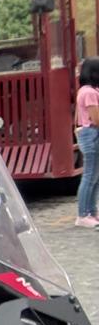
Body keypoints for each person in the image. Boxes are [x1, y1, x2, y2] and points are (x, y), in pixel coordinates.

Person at [76, 58, 99, 228]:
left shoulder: (87, 90)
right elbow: (96, 118)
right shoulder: (89, 92)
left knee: (94, 176)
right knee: (90, 176)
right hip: (92, 133)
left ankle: (91, 212)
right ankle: (83, 214)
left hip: (89, 133)